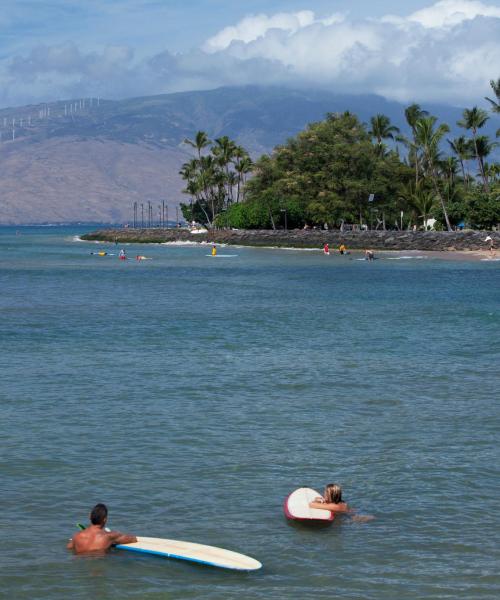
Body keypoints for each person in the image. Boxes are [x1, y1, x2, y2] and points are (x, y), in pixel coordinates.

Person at [67, 503, 137, 555]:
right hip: (99, 564)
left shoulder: (77, 536)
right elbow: (132, 539)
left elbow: (69, 548)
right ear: (105, 519)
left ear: (89, 516)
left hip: (81, 564)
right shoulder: (108, 536)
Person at [309, 484, 374, 522]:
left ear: (331, 495)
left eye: (326, 492)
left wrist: (317, 501)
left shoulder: (334, 506)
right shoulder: (341, 502)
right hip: (354, 514)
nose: (324, 494)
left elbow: (311, 505)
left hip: (354, 519)